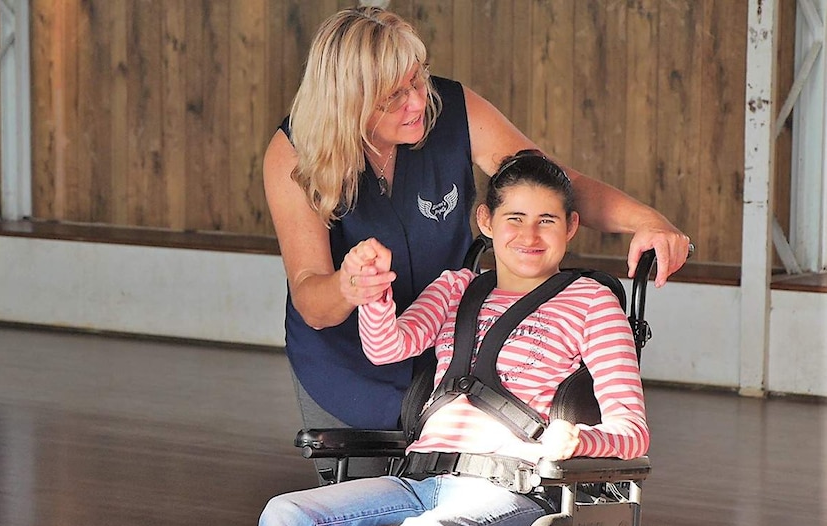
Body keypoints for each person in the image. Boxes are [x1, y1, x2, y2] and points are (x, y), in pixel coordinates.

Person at [258, 151, 650, 526]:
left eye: (546, 220)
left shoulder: (593, 302)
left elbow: (632, 430)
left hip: (514, 487)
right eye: (514, 219)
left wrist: (579, 440)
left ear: (571, 226)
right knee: (284, 516)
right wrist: (374, 295)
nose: (529, 236)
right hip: (421, 478)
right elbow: (387, 348)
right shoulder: (456, 289)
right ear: (486, 221)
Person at [263, 5, 681, 456]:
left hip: (451, 355)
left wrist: (647, 220)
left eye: (417, 79)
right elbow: (311, 298)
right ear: (348, 101)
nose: (419, 102)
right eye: (393, 96)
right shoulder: (293, 154)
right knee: (367, 507)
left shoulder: (454, 109)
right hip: (349, 368)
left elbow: (551, 183)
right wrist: (350, 286)